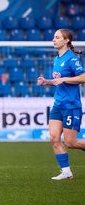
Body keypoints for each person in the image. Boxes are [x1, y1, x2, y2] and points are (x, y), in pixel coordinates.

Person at [36, 28, 85, 180]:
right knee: (54, 137)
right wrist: (47, 81)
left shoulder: (72, 59)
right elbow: (59, 81)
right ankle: (66, 171)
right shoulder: (57, 59)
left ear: (66, 40)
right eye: (53, 37)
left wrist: (64, 79)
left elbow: (83, 77)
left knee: (71, 142)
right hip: (58, 104)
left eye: (57, 37)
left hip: (71, 105)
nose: (53, 39)